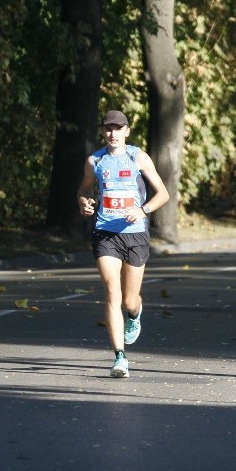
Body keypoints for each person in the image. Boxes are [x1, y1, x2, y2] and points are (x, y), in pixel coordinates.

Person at [77, 109, 169, 378]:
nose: (113, 133)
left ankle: (135, 313)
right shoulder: (95, 161)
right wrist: (84, 202)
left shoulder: (138, 157)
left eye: (118, 128)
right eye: (108, 129)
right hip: (105, 233)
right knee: (111, 292)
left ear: (127, 131)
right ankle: (120, 357)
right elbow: (83, 189)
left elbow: (163, 193)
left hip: (135, 234)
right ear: (103, 132)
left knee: (129, 300)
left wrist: (143, 210)